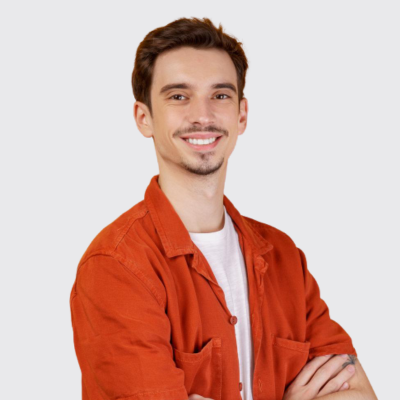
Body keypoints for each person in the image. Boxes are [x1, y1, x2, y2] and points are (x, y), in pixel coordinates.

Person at [69, 17, 378, 400]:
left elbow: (358, 393)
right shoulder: (117, 266)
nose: (203, 115)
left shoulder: (283, 258)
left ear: (242, 115)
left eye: (220, 95)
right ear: (144, 118)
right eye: (178, 96)